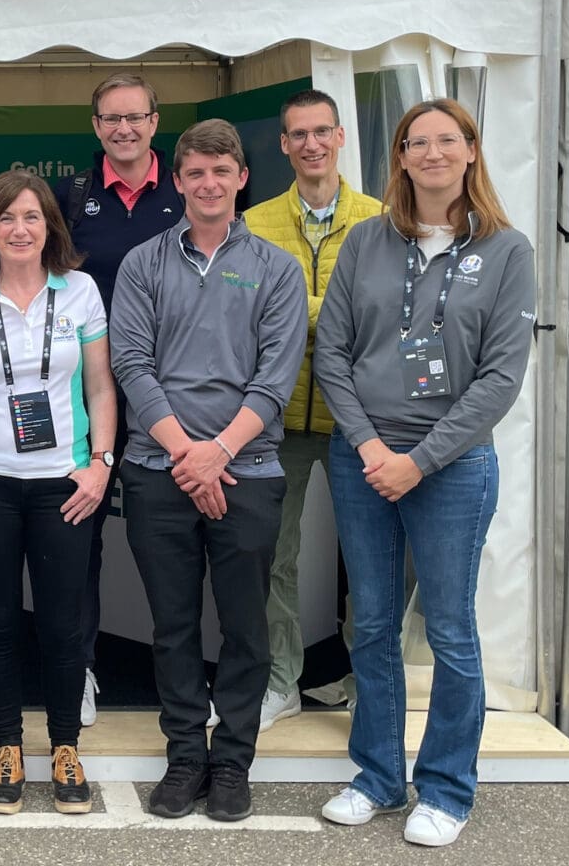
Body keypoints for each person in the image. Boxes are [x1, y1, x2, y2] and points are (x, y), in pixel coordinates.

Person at [313, 99, 534, 848]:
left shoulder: (507, 251)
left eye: (446, 140)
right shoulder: (367, 240)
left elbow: (500, 379)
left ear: (471, 150)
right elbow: (332, 353)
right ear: (401, 157)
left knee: (449, 630)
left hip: (453, 468)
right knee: (372, 623)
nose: (432, 153)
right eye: (417, 142)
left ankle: (445, 789)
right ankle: (378, 777)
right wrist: (371, 448)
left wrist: (419, 460)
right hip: (364, 463)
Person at [111, 118, 307, 823]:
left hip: (246, 469)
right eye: (195, 172)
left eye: (221, 171)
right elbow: (131, 363)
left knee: (246, 628)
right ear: (177, 181)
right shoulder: (142, 264)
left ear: (242, 177)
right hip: (157, 470)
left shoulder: (276, 269)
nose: (208, 183)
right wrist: (186, 455)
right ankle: (186, 757)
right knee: (173, 626)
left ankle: (232, 762)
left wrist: (215, 453)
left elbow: (275, 379)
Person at [0, 170, 116, 816]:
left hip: (64, 484)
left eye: (31, 217)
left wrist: (100, 464)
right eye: (7, 218)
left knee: (64, 623)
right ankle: (8, 746)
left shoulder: (81, 292)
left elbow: (101, 387)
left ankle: (65, 746)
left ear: (49, 227)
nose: (19, 229)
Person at [243, 88, 383, 730]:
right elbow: (248, 318)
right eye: (298, 134)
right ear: (283, 144)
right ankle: (282, 682)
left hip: (363, 420)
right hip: (276, 419)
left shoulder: (381, 219)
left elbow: (386, 316)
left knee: (371, 558)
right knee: (274, 556)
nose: (311, 144)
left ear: (340, 137)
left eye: (321, 131)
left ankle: (368, 683)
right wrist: (327, 317)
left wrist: (298, 315)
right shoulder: (255, 222)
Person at [53, 73, 184, 725]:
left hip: (172, 392)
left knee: (173, 538)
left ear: (155, 122)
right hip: (89, 392)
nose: (124, 129)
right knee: (81, 535)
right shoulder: (72, 197)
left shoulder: (187, 189)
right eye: (111, 118)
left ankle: (181, 676)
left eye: (135, 117)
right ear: (96, 125)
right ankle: (79, 668)